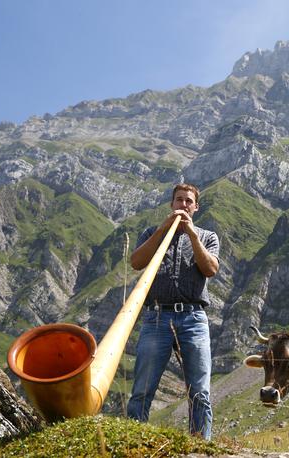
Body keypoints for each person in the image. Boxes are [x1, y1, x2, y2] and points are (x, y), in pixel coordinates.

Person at [127, 183, 219, 440]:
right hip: (157, 317)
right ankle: (136, 444)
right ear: (171, 204)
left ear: (196, 207)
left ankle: (201, 447)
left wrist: (191, 235)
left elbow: (210, 269)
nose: (183, 205)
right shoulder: (150, 233)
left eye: (189, 201)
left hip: (193, 318)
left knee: (200, 391)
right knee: (143, 388)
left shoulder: (208, 236)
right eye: (179, 200)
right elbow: (136, 262)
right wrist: (162, 231)